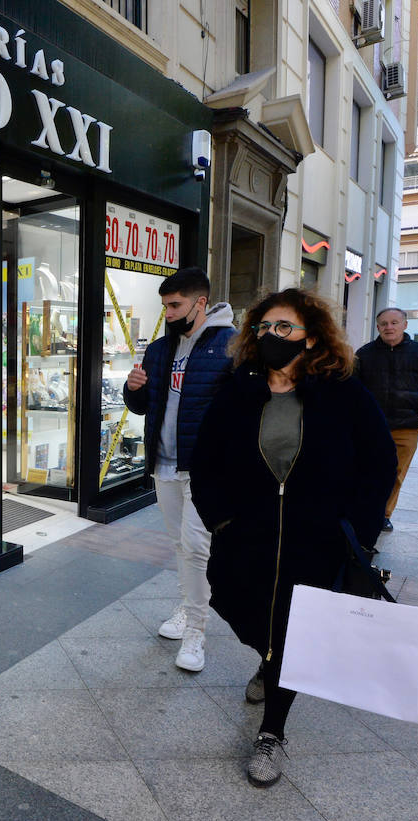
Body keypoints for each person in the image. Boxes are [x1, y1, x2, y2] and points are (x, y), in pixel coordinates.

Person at [190, 289, 396, 787]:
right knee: (244, 610)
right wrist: (220, 520)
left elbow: (379, 462)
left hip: (317, 539)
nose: (272, 337)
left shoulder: (341, 390)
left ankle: (273, 731)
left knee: (295, 634)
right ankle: (266, 657)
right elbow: (206, 461)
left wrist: (357, 531)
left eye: (285, 328)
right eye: (263, 328)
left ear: (311, 336)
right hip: (248, 537)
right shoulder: (238, 389)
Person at [123, 266, 235, 672]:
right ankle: (188, 610)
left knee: (195, 546)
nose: (168, 313)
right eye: (165, 305)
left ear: (200, 302)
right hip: (164, 462)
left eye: (175, 305)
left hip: (204, 469)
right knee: (179, 545)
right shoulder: (159, 348)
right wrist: (133, 389)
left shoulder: (230, 345)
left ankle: (196, 631)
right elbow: (144, 405)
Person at [355, 307, 418, 533]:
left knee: (395, 474)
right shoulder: (364, 354)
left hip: (406, 426)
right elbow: (353, 392)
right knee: (368, 471)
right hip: (371, 427)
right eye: (384, 323)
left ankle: (383, 514)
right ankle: (364, 510)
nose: (389, 327)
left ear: (405, 325)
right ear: (377, 327)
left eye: (394, 322)